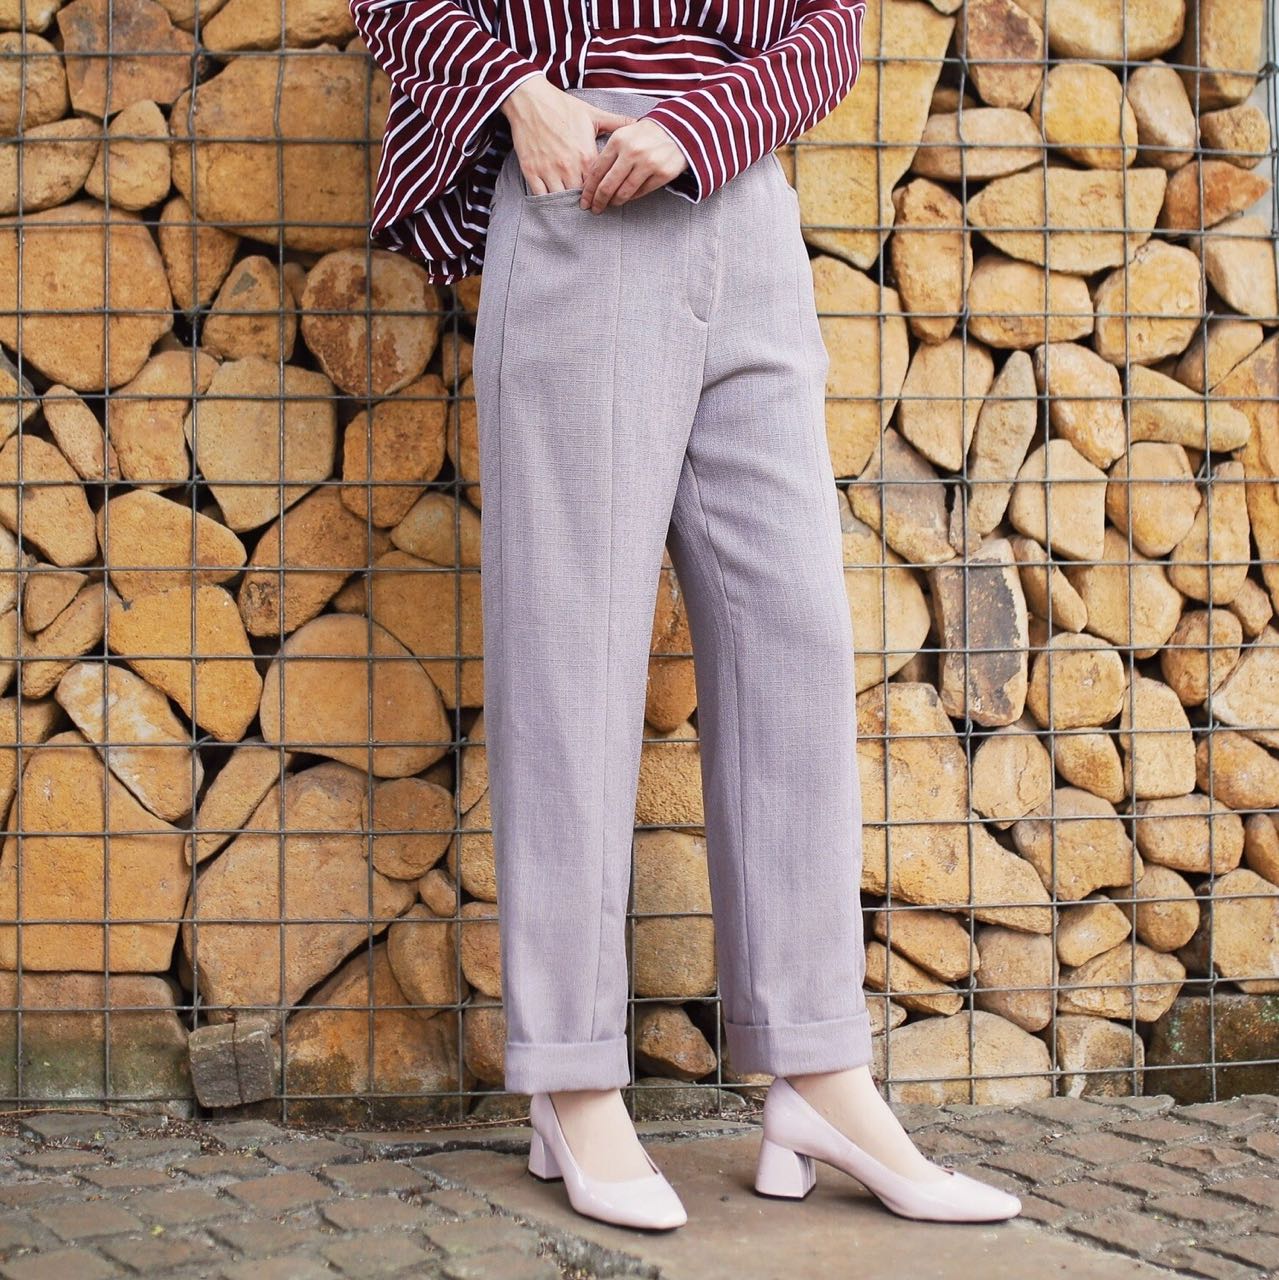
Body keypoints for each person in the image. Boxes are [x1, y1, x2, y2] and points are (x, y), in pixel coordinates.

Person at [349, 0, 1022, 1232]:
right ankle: (571, 1077)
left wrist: (705, 128)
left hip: (742, 205)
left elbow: (828, 26)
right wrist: (516, 93)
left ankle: (818, 1070)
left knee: (794, 644)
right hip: (580, 195)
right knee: (573, 651)